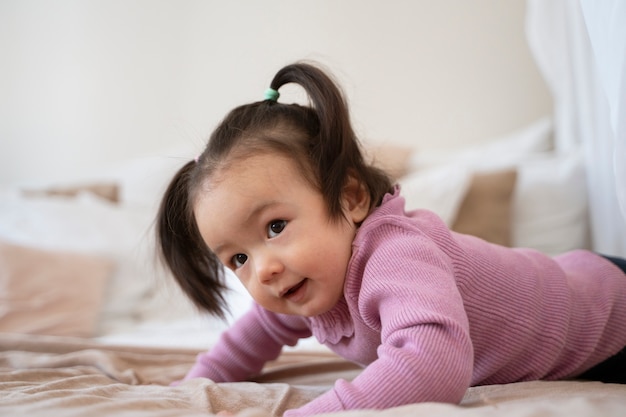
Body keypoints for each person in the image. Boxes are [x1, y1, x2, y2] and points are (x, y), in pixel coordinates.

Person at [156, 61, 626, 417]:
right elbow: (242, 345)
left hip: (609, 313)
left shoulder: (394, 254)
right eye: (238, 257)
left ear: (352, 198)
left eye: (275, 227)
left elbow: (433, 365)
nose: (264, 269)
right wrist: (190, 392)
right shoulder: (302, 281)